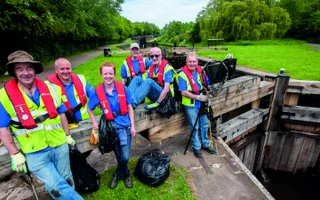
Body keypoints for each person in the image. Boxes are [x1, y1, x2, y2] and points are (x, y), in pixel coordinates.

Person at [0, 50, 83, 199]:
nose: (25, 73)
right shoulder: (4, 97)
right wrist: (15, 153)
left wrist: (67, 135)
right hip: (34, 151)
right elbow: (3, 128)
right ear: (13, 71)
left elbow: (62, 114)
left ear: (35, 70)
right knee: (55, 185)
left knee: (67, 180)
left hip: (59, 144)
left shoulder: (52, 89)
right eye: (20, 69)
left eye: (29, 68)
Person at [88, 62, 136, 189]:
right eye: (105, 73)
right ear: (101, 74)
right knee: (119, 155)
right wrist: (94, 121)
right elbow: (89, 108)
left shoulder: (122, 88)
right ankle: (126, 174)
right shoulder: (97, 92)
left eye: (110, 73)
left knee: (125, 157)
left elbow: (130, 107)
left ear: (114, 74)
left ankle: (118, 173)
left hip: (125, 126)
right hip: (110, 129)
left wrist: (133, 126)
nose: (108, 76)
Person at [178, 52, 216, 158]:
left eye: (194, 61)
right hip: (191, 105)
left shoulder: (201, 71)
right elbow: (183, 92)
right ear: (186, 62)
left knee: (204, 124)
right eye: (190, 61)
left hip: (202, 103)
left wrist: (208, 97)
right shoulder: (182, 75)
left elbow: (206, 86)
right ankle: (196, 146)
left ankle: (205, 143)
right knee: (195, 126)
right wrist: (198, 97)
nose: (192, 63)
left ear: (197, 62)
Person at [46, 58, 97, 129]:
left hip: (85, 121)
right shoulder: (49, 86)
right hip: (63, 126)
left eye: (68, 68)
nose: (65, 71)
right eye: (62, 69)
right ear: (56, 71)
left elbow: (95, 96)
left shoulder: (80, 79)